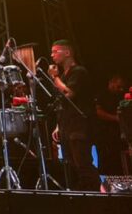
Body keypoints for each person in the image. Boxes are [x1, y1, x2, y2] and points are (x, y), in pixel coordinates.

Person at [48, 39, 100, 191]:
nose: (52, 55)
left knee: (82, 163)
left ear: (67, 52)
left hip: (79, 126)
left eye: (55, 51)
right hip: (66, 126)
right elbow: (62, 104)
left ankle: (96, 194)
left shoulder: (78, 72)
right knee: (71, 165)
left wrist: (55, 77)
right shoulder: (63, 75)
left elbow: (68, 94)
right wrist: (58, 126)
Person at [95, 72, 127, 175]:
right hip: (105, 135)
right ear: (111, 83)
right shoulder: (102, 95)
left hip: (118, 135)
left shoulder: (119, 96)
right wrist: (115, 118)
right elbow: (98, 112)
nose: (121, 89)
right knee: (108, 163)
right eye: (118, 86)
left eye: (122, 87)